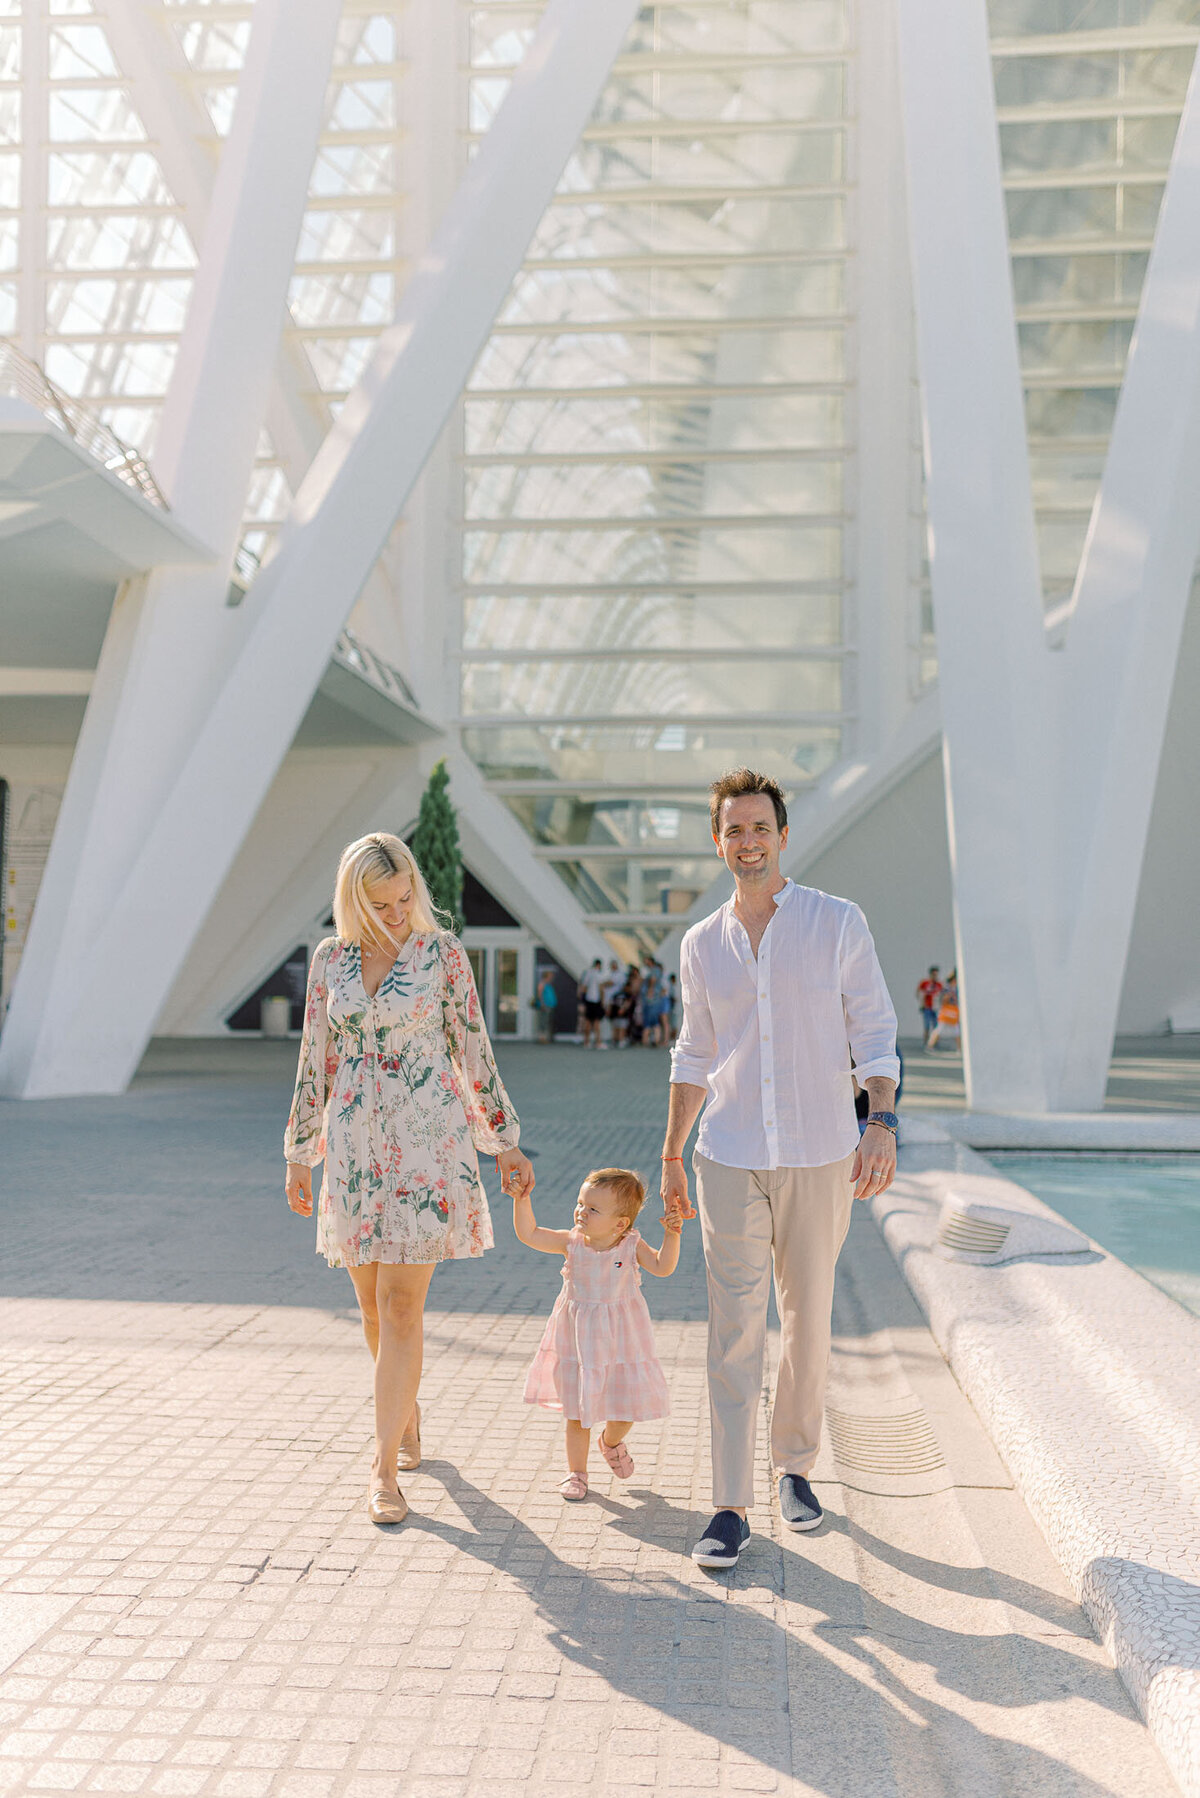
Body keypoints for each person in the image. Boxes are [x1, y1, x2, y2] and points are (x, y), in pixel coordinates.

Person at [661, 768, 900, 1569]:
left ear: (783, 835)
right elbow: (693, 1052)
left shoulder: (835, 922)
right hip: (726, 1154)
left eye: (760, 827)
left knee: (807, 1315)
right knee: (733, 1329)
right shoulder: (701, 944)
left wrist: (882, 1122)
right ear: (718, 841)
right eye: (733, 830)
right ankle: (730, 1505)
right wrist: (669, 1153)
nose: (748, 841)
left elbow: (873, 1027)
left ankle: (795, 1466)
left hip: (820, 1150)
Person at [284, 832, 535, 1526]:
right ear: (352, 900)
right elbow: (316, 1060)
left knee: (400, 1309)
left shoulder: (442, 955)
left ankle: (383, 1469)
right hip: (354, 1151)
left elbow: (473, 1049)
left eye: (403, 899)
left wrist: (505, 1142)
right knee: (370, 1310)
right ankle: (405, 1412)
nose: (396, 913)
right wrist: (299, 1153)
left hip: (427, 1145)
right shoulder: (330, 961)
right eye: (379, 903)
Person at [517, 1167, 679, 1500]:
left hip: (623, 1341)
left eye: (592, 1208)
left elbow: (663, 1267)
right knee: (578, 1412)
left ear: (621, 1224)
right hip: (579, 1341)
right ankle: (576, 1473)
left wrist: (673, 1234)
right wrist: (522, 1199)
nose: (581, 1211)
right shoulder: (571, 1243)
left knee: (626, 1407)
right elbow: (529, 1234)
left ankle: (611, 1441)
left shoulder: (631, 1244)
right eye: (580, 1202)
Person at [926, 970, 959, 1051]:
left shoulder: (955, 988)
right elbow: (944, 999)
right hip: (947, 1011)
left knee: (956, 1031)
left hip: (953, 1011)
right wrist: (951, 997)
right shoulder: (947, 988)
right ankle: (929, 1046)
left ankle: (960, 1048)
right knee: (939, 1029)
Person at [580, 958, 605, 1048]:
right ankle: (598, 1042)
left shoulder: (588, 973)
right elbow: (601, 989)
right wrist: (602, 1001)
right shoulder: (599, 974)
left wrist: (583, 1001)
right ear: (599, 965)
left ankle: (586, 1042)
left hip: (588, 1000)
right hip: (596, 1000)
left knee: (587, 1021)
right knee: (596, 1022)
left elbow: (583, 988)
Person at [916, 966, 943, 1046]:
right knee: (927, 1025)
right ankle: (926, 1042)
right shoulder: (925, 983)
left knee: (936, 1026)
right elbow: (919, 992)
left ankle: (935, 1042)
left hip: (936, 1008)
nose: (935, 976)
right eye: (934, 974)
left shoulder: (939, 984)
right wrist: (921, 1003)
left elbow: (942, 995)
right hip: (927, 1007)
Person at [535, 968, 557, 1044]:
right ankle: (542, 1038)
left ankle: (546, 1037)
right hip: (545, 1006)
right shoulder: (542, 983)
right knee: (543, 1022)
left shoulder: (548, 984)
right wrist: (542, 1004)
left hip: (550, 1006)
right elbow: (539, 994)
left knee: (548, 1022)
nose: (551, 977)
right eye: (550, 976)